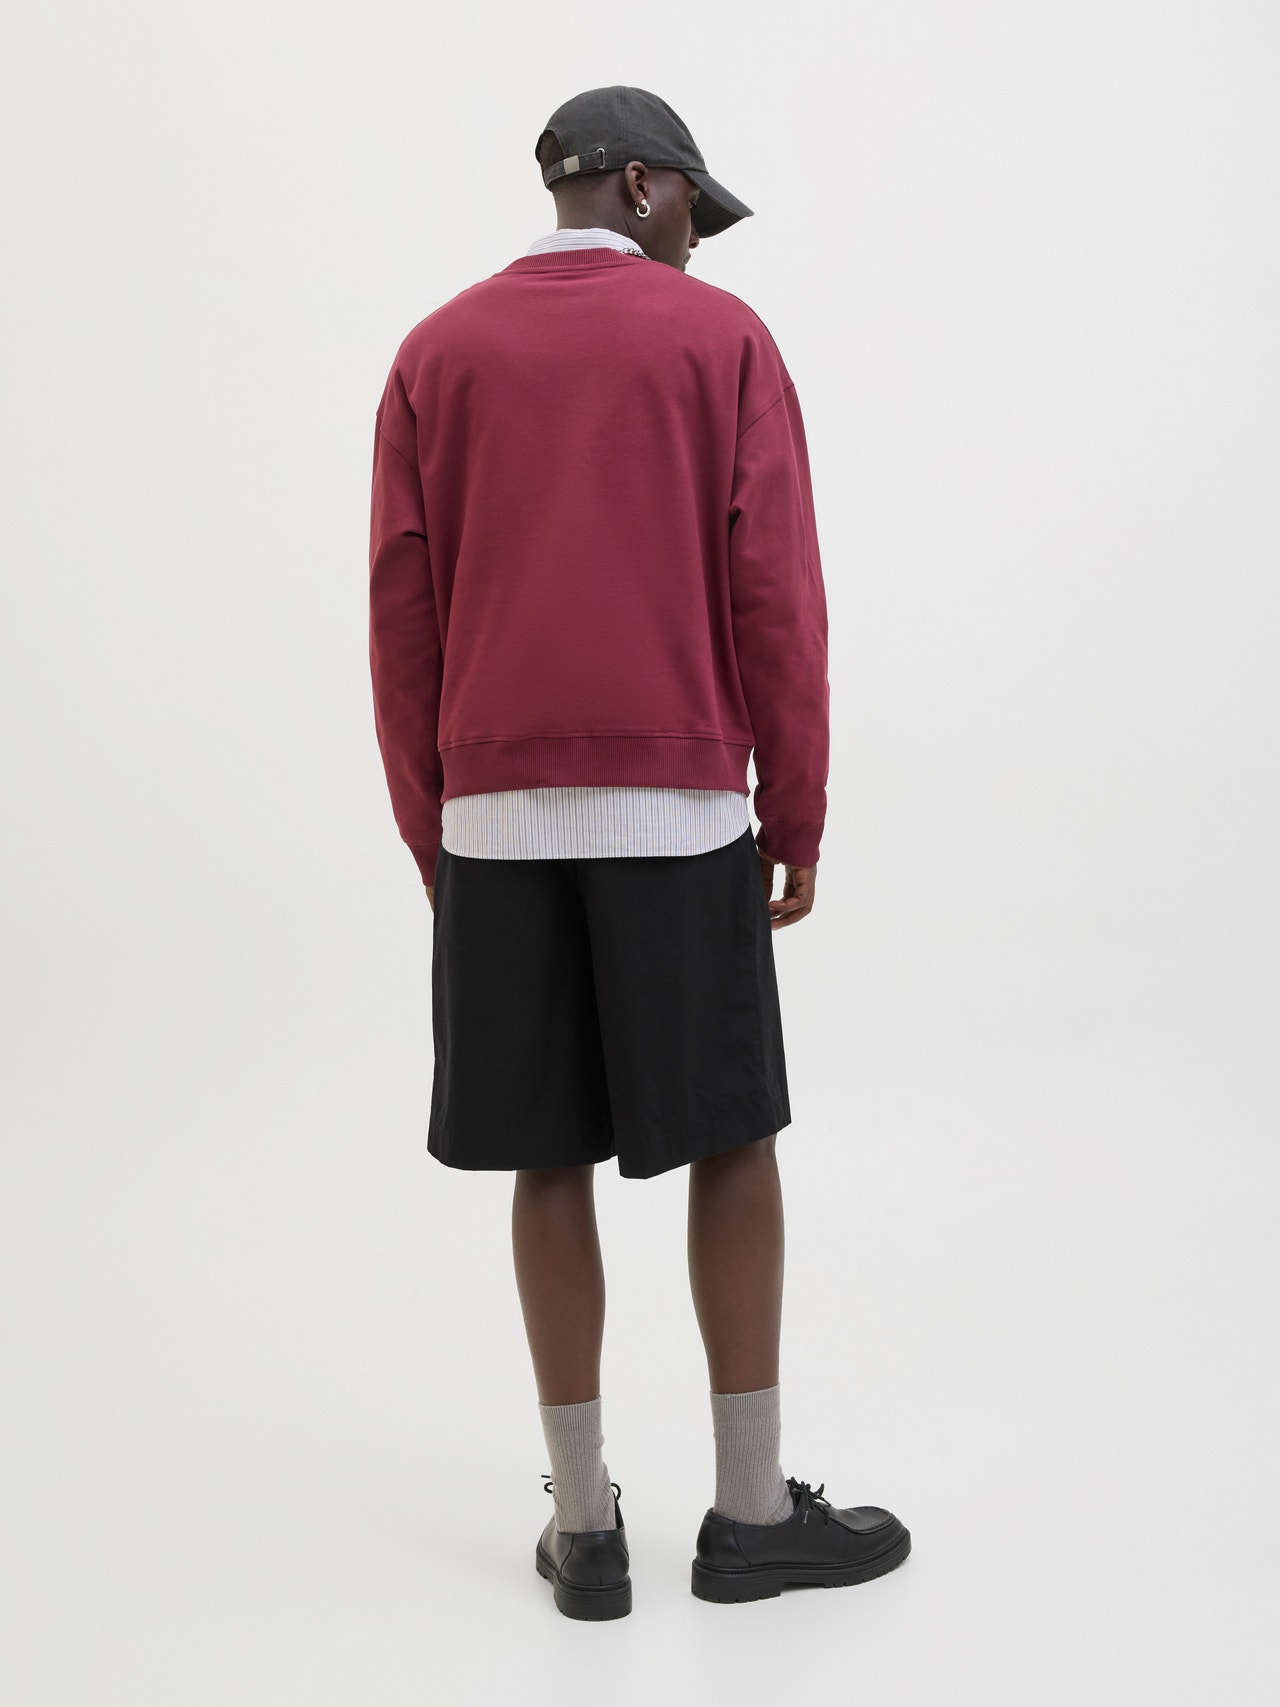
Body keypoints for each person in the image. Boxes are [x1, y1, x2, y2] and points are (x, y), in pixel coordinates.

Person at [368, 84, 910, 1620]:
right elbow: (776, 593)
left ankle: (587, 1526)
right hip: (679, 811)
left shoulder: (435, 353)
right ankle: (750, 1517)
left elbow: (401, 611)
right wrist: (795, 811)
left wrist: (437, 828)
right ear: (642, 187)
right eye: (693, 213)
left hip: (496, 818)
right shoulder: (716, 342)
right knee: (731, 1140)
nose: (697, 244)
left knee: (547, 1156)